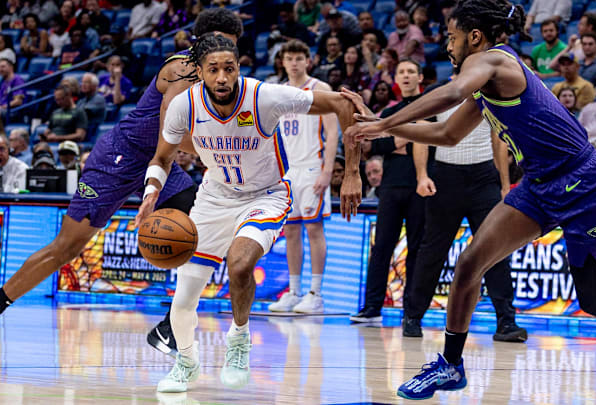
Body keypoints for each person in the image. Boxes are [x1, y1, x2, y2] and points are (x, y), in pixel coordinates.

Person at [339, 1, 596, 402]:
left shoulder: (494, 62)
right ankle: (451, 364)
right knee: (469, 263)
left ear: (475, 36)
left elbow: (453, 90)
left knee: (594, 297)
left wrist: (384, 122)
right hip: (541, 185)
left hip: (587, 183)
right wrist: (380, 124)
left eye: (453, 36)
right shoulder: (483, 85)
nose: (448, 44)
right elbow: (446, 135)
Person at [0, 9, 245, 359]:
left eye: (232, 49)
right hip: (119, 158)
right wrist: (217, 152)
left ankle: (171, 325)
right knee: (67, 248)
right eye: (221, 45)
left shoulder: (220, 77)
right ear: (202, 42)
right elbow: (170, 131)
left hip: (156, 160)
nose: (226, 57)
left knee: (201, 223)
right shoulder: (182, 69)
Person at [134, 33, 356, 393]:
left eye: (229, 68)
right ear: (200, 72)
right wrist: (150, 194)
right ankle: (186, 363)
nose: (222, 77)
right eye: (213, 70)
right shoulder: (184, 106)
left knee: (239, 264)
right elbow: (162, 157)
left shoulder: (265, 97)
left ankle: (238, 340)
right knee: (185, 293)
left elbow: (342, 105)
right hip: (214, 198)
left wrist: (353, 173)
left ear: (239, 68)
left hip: (265, 195)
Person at [405, 69, 527, 341]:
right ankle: (413, 316)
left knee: (495, 249)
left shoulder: (488, 92)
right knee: (432, 251)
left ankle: (506, 322)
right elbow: (422, 135)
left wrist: (504, 184)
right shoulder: (439, 93)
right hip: (445, 176)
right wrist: (422, 175)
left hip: (483, 178)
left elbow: (499, 140)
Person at [348, 59, 427, 324]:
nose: (405, 76)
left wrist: (394, 140)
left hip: (420, 186)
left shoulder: (429, 107)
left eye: (410, 72)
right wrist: (406, 138)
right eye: (401, 72)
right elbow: (373, 147)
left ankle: (411, 312)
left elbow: (434, 142)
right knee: (381, 247)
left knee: (416, 249)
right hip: (391, 187)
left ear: (420, 77)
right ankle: (371, 308)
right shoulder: (390, 111)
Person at [268, 40, 339, 314]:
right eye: (290, 58)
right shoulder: (277, 92)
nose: (295, 63)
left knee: (313, 229)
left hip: (312, 166)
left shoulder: (321, 90)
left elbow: (333, 133)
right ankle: (294, 292)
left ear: (308, 61)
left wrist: (327, 170)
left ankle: (316, 294)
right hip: (287, 171)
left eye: (300, 58)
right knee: (291, 230)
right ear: (282, 62)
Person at [77, 72, 106, 139]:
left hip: (92, 133)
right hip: (82, 129)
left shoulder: (99, 98)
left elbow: (83, 113)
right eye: (82, 82)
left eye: (86, 82)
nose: (83, 85)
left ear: (95, 85)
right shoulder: (81, 101)